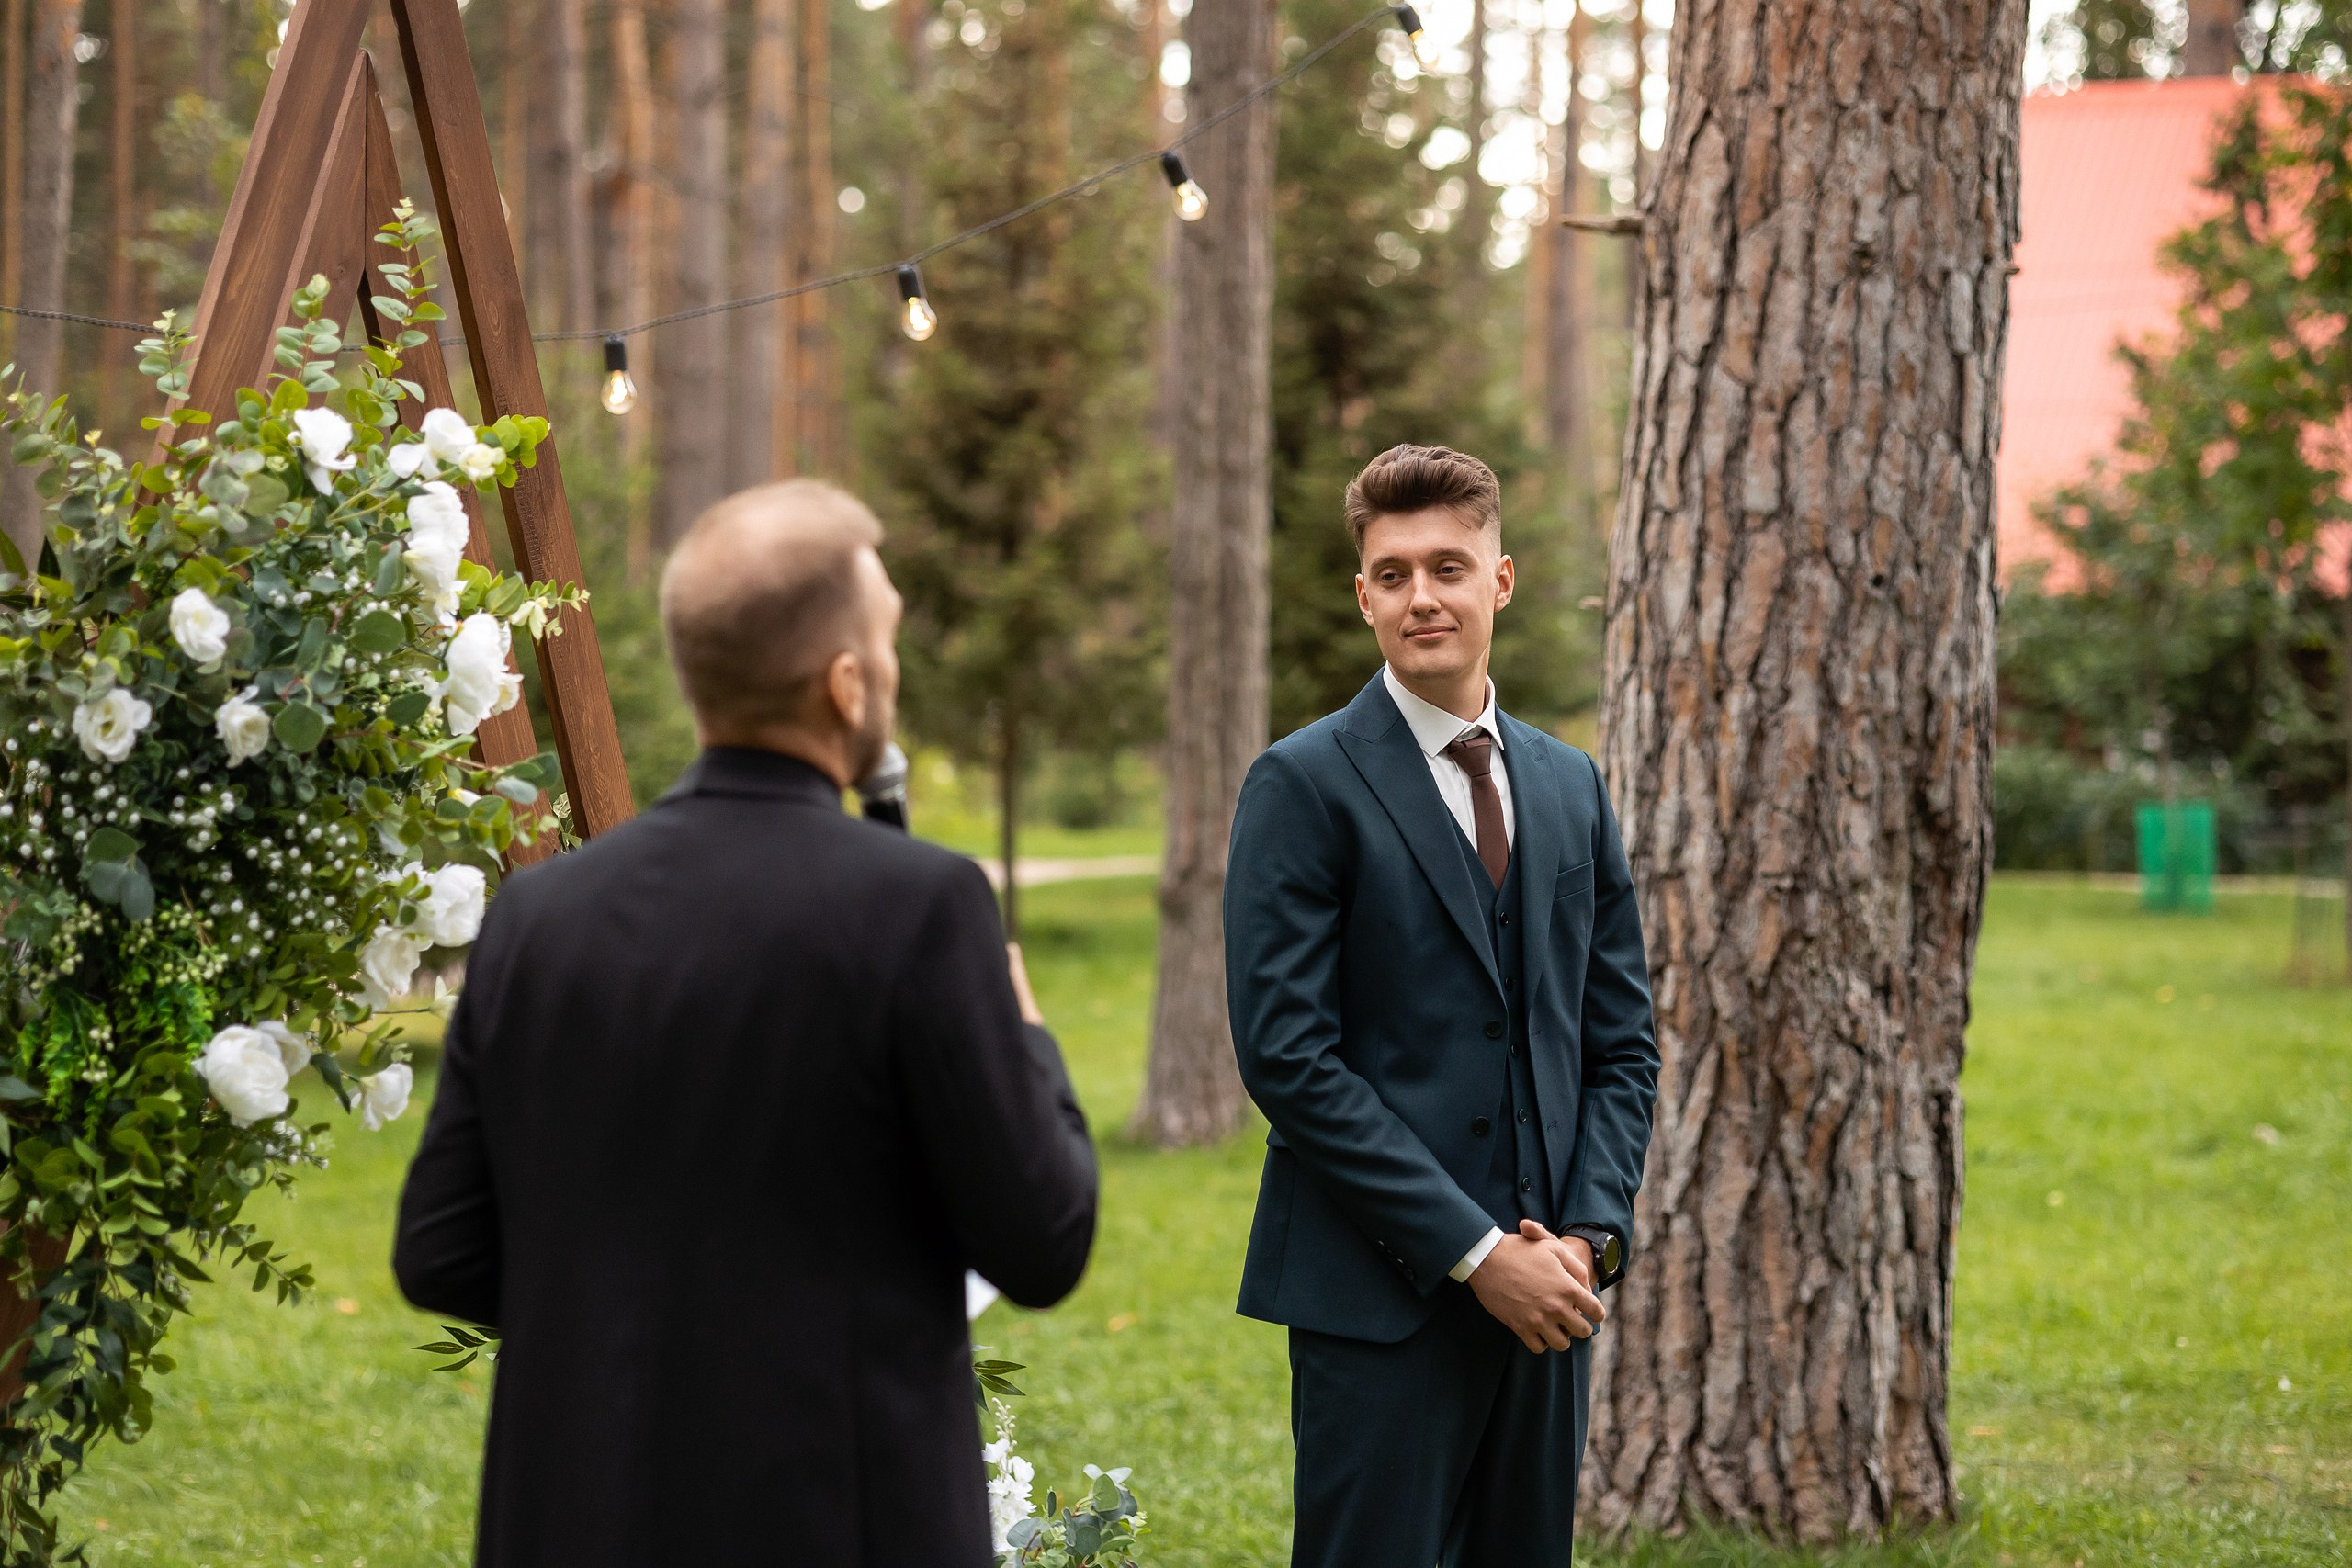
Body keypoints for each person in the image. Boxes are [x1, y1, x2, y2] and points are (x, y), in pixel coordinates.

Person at [393, 479, 1097, 1567]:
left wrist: (631, 1319)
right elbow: (1042, 1240)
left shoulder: (537, 917)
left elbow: (441, 1253)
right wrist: (1028, 1038)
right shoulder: (919, 907)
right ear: (846, 684)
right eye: (888, 643)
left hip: (581, 1514)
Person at [1224, 445, 1659, 1566]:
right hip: (1376, 1298)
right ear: (1364, 597)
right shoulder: (1301, 784)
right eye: (1394, 574)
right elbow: (1288, 1060)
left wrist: (1587, 1239)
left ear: (1498, 581)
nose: (1422, 595)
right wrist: (1475, 1253)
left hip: (1550, 1297)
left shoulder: (1571, 783)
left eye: (1448, 568)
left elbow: (1619, 1044)